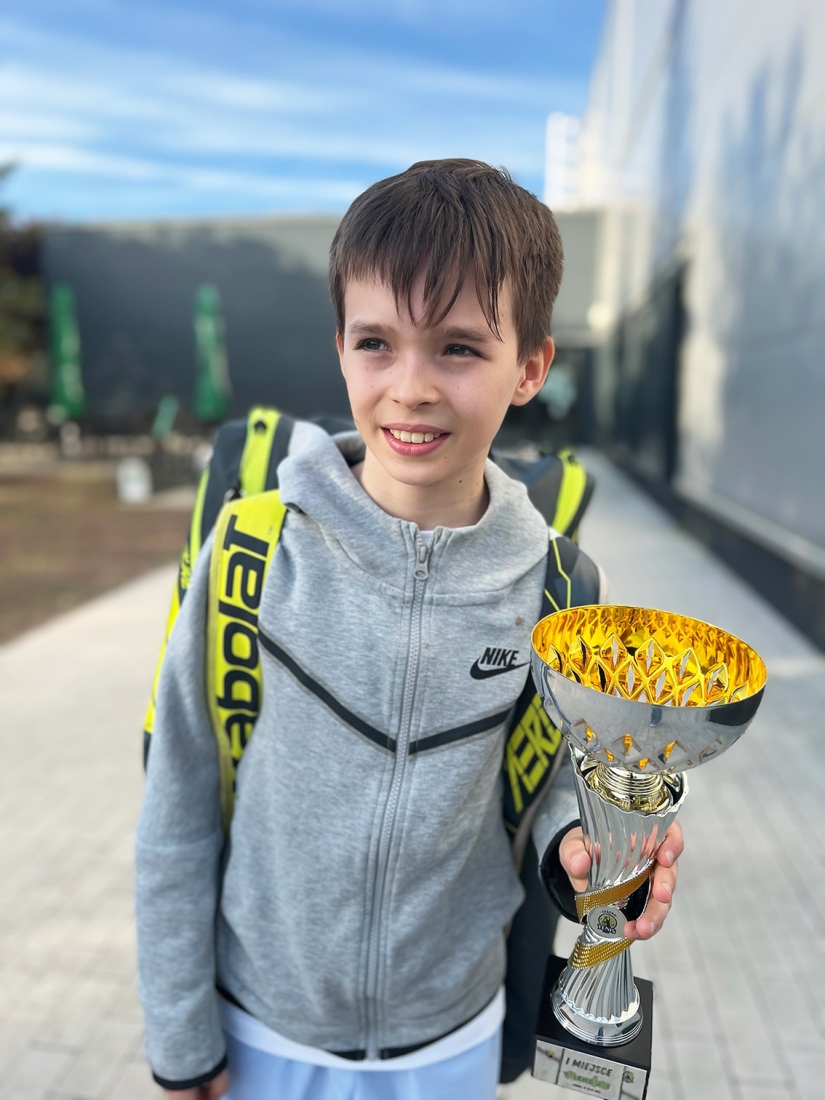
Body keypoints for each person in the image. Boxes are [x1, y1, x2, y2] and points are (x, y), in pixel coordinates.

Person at [135, 159, 683, 1100]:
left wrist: (587, 855)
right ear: (340, 348)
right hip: (261, 1027)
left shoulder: (559, 589)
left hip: (451, 1041)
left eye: (459, 348)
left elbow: (557, 783)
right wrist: (181, 1038)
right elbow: (175, 812)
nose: (410, 387)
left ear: (531, 368)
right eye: (376, 343)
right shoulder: (252, 554)